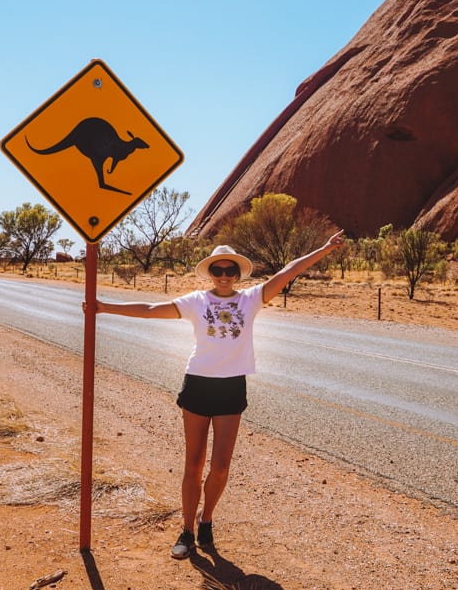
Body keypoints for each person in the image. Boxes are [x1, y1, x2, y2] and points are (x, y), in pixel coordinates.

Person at [92, 230, 345, 559]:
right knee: (193, 465)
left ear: (238, 274)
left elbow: (289, 272)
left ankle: (206, 518)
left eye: (230, 271)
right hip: (198, 383)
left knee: (221, 467)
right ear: (210, 273)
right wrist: (103, 307)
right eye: (218, 270)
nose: (224, 276)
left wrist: (324, 249)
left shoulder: (251, 299)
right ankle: (186, 530)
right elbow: (152, 309)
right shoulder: (197, 302)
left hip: (231, 387)